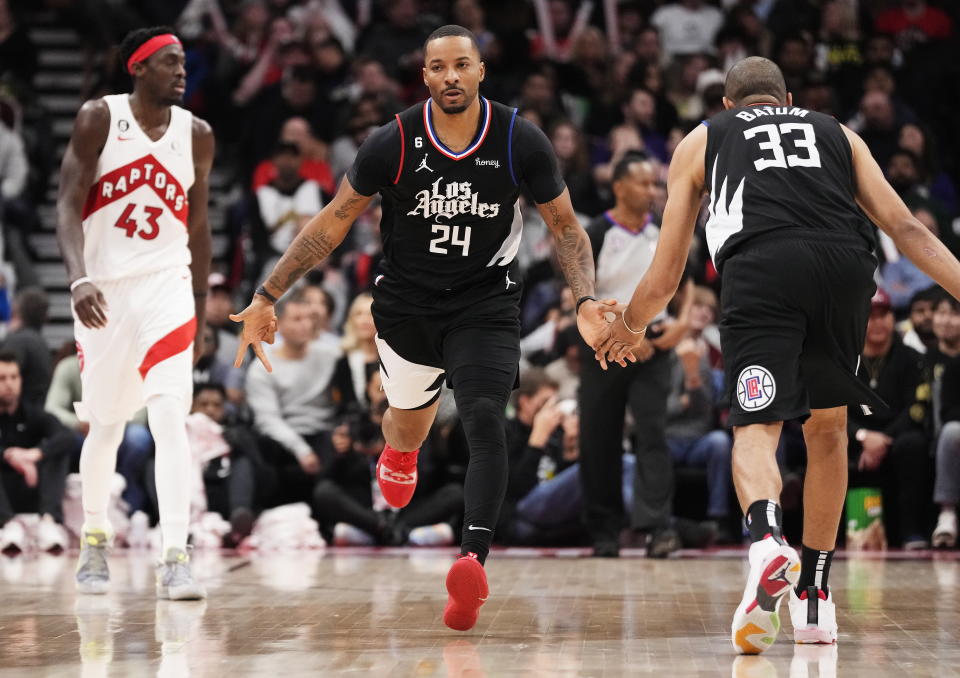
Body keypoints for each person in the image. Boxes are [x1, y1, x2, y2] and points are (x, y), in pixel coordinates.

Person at [230, 25, 606, 632]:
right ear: (425, 76)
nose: (450, 76)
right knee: (407, 423)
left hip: (485, 302)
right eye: (438, 67)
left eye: (462, 65)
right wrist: (268, 293)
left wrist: (585, 298)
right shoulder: (395, 140)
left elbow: (564, 227)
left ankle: (471, 563)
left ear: (481, 70)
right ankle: (399, 453)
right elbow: (332, 223)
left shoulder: (518, 138)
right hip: (406, 305)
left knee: (486, 414)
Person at [593, 57, 960, 653]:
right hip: (845, 267)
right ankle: (813, 599)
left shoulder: (705, 138)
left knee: (757, 426)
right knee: (828, 428)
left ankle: (766, 541)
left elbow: (665, 275)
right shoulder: (838, 131)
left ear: (728, 107)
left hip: (762, 270)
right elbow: (906, 228)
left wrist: (630, 327)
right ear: (787, 98)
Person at [55, 26, 213, 599]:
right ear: (138, 68)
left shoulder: (197, 134)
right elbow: (68, 204)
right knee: (106, 423)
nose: (181, 71)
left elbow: (198, 226)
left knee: (173, 418)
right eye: (170, 63)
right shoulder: (100, 117)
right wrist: (78, 279)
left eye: (183, 63)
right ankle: (94, 536)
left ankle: (177, 554)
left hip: (166, 286)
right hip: (105, 292)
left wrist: (200, 305)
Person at [579, 151, 689, 559]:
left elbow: (686, 279)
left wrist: (681, 325)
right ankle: (603, 530)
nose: (652, 191)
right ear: (619, 186)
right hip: (603, 346)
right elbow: (582, 295)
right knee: (598, 437)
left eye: (655, 184)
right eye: (643, 183)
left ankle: (657, 528)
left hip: (652, 349)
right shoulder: (595, 233)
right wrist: (623, 334)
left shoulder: (661, 232)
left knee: (654, 434)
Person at [0, 352, 74, 553]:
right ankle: (7, 525)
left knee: (57, 452)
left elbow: (66, 436)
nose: (9, 384)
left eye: (14, 377)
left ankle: (48, 522)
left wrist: (36, 454)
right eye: (2, 378)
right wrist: (9, 456)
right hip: (4, 490)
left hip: (33, 486)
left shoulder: (32, 413)